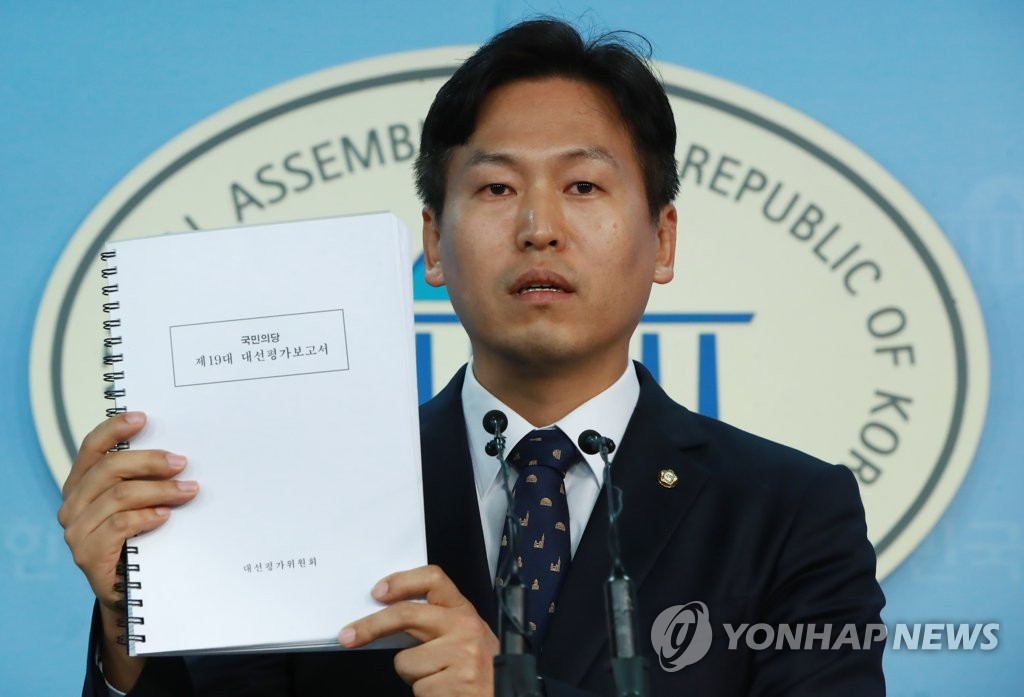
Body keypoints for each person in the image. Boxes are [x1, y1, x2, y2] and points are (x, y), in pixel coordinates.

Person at [59, 18, 885, 696]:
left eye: (584, 186)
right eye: (495, 188)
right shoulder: (310, 488)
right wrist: (131, 627)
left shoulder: (790, 512)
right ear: (433, 242)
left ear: (662, 240)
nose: (538, 228)